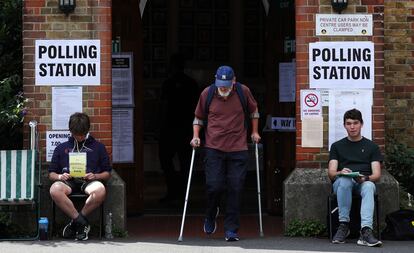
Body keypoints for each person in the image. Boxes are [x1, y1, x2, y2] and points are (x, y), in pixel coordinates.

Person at [190, 65, 261, 241]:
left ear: (234, 81)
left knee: (235, 188)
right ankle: (211, 214)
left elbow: (254, 112)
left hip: (238, 148)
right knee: (214, 186)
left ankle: (231, 229)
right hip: (214, 147)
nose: (223, 88)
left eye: (226, 84)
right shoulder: (208, 93)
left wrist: (254, 132)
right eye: (220, 83)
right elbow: (198, 117)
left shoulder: (243, 92)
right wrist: (196, 136)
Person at [49, 112, 111, 241]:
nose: (79, 138)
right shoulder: (61, 148)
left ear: (87, 130)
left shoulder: (99, 147)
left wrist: (95, 176)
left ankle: (75, 222)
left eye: (82, 135)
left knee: (100, 190)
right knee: (54, 189)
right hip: (68, 182)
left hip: (89, 181)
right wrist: (60, 176)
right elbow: (51, 174)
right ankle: (82, 223)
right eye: (76, 135)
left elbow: (107, 173)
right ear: (70, 131)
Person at [328, 108, 382, 247]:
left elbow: (376, 174)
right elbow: (331, 173)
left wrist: (365, 178)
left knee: (370, 186)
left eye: (355, 123)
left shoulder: (372, 146)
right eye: (349, 123)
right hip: (342, 183)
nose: (352, 127)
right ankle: (344, 225)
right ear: (344, 125)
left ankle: (366, 231)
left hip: (362, 182)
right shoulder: (336, 146)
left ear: (361, 124)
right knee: (345, 180)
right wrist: (341, 172)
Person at [158, 53, 199, 204]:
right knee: (185, 163)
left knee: (167, 161)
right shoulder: (191, 83)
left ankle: (174, 191)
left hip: (172, 128)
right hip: (185, 129)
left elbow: (163, 106)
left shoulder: (169, 83)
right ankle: (182, 193)